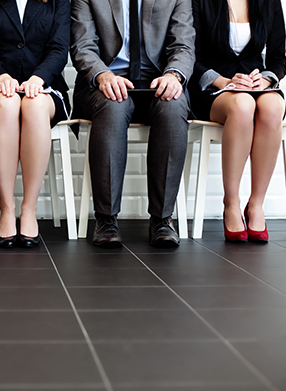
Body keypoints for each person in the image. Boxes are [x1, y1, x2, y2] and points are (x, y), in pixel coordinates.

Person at [70, 0, 195, 248]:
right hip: (106, 80)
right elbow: (82, 46)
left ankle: (162, 219)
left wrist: (173, 75)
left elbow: (183, 46)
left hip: (157, 80)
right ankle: (106, 219)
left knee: (173, 106)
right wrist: (103, 75)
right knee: (113, 104)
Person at [0, 0, 70, 248]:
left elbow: (59, 49)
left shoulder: (59, 2)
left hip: (45, 87)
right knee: (8, 103)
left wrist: (39, 77)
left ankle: (29, 208)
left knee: (34, 106)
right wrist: (1, 75)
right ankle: (7, 207)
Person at [189, 0, 286, 243]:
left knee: (273, 107)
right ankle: (231, 203)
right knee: (243, 105)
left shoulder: (269, 2)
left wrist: (265, 80)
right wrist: (222, 81)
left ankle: (256, 204)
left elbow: (278, 58)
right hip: (213, 88)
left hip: (254, 85)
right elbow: (190, 54)